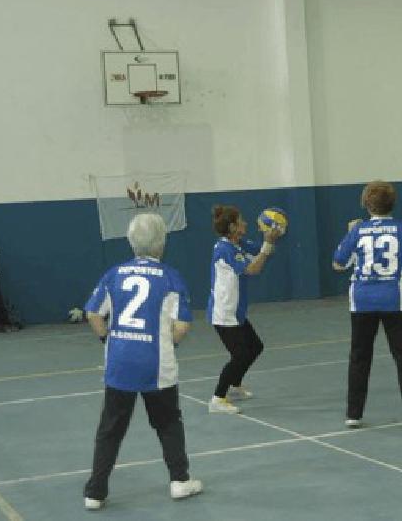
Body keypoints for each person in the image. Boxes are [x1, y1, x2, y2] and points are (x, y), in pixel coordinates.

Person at [82, 213, 202, 510]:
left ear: (131, 241)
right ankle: (179, 480)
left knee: (110, 427)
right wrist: (167, 341)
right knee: (168, 421)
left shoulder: (114, 274)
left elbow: (93, 314)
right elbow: (182, 326)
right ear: (162, 243)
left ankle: (95, 491)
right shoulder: (172, 277)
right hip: (156, 364)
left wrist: (108, 339)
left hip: (120, 362)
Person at [332, 180, 402, 433]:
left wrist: (350, 235)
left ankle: (353, 413)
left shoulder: (357, 230)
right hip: (396, 300)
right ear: (393, 203)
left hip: (362, 299)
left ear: (366, 204)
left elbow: (338, 263)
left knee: (359, 356)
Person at [206, 205, 283, 414]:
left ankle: (235, 386)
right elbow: (253, 268)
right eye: (241, 221)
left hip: (236, 311)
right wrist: (267, 245)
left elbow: (263, 251)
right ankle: (217, 399)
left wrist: (271, 236)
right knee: (239, 355)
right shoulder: (225, 249)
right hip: (224, 313)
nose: (246, 224)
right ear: (232, 227)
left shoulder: (238, 244)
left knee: (255, 347)